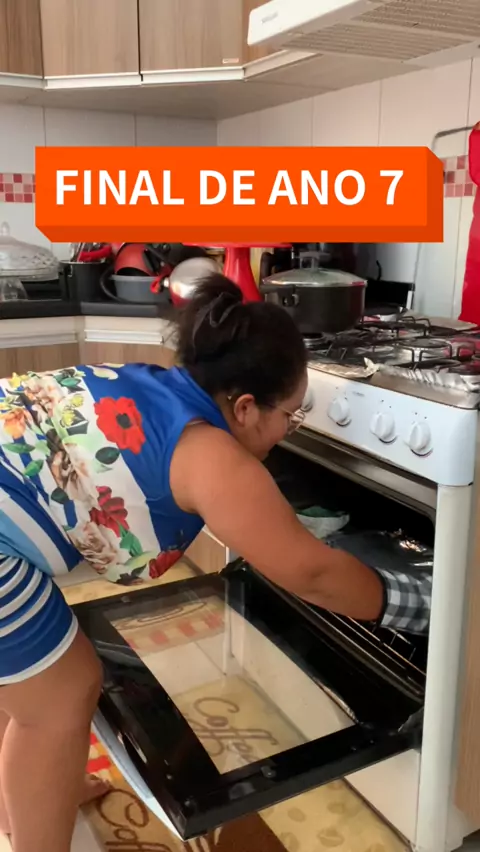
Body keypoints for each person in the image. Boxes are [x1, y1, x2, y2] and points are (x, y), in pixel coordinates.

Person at [0, 273, 431, 852]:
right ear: (246, 407)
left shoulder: (158, 387)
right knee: (62, 696)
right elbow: (314, 574)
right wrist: (417, 604)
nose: (288, 431)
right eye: (291, 416)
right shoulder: (210, 456)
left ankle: (30, 796)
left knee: (26, 680)